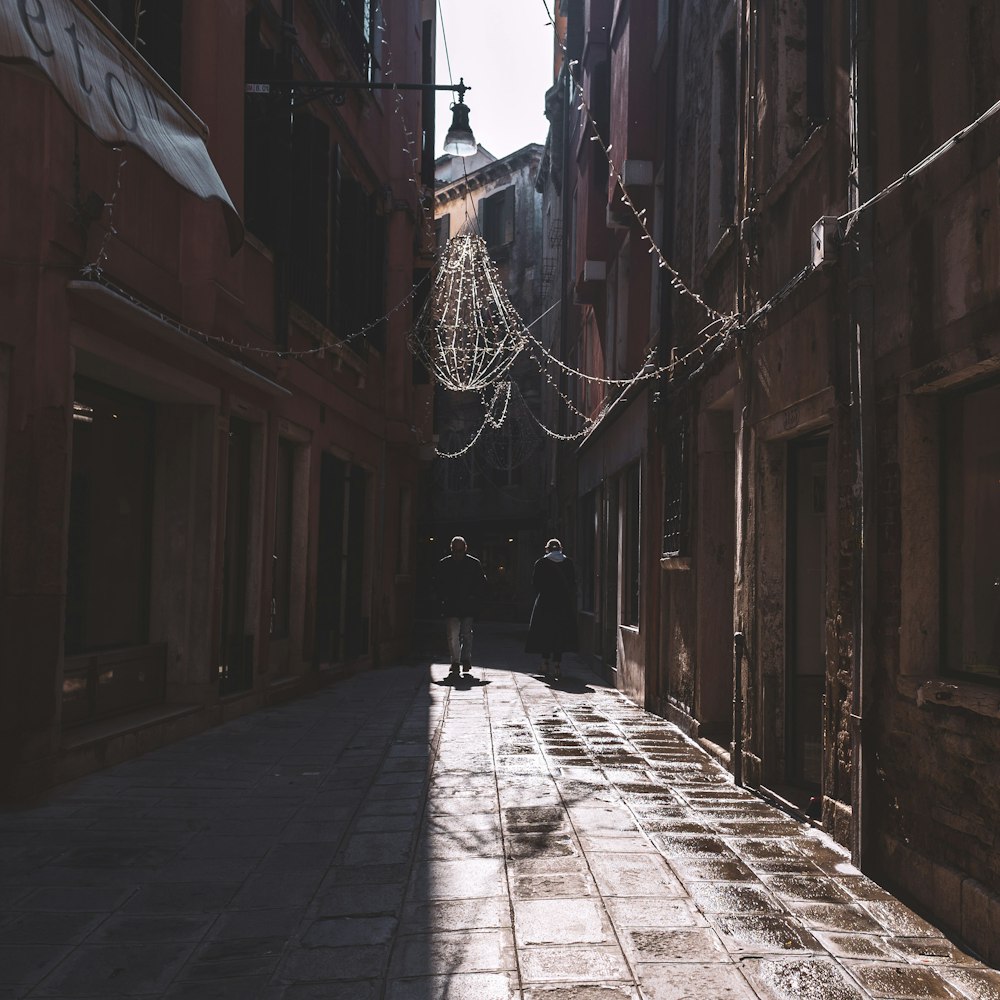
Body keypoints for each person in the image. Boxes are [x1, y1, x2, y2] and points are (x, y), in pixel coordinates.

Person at [525, 538, 578, 680]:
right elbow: (573, 583)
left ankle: (544, 662)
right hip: (563, 604)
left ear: (547, 549)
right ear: (560, 548)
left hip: (545, 604)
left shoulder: (541, 563)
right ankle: (557, 665)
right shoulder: (568, 563)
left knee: (545, 632)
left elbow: (535, 583)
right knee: (560, 633)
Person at [434, 536, 486, 678]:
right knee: (453, 635)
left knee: (466, 633)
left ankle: (465, 658)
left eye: (460, 550)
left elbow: (481, 584)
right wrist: (442, 599)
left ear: (465, 549)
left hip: (467, 604)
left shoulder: (474, 564)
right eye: (455, 550)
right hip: (452, 604)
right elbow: (438, 584)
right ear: (451, 550)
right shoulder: (444, 564)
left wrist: (474, 597)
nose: (457, 553)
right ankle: (456, 661)